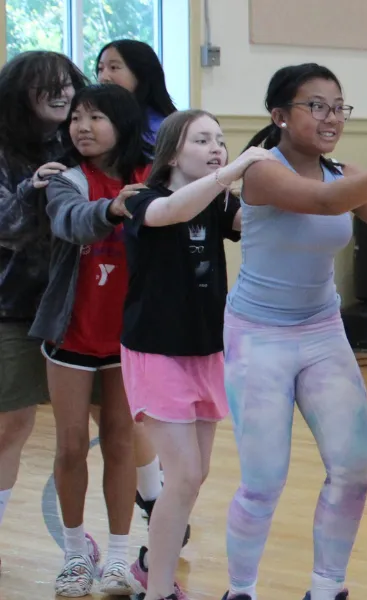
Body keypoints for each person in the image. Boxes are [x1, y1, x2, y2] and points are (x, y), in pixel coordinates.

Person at [221, 63, 367, 600]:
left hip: (320, 332)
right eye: (316, 105)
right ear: (279, 116)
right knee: (263, 482)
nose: (331, 117)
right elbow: (322, 203)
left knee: (352, 470)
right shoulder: (261, 170)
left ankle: (325, 588)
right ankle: (240, 589)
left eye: (338, 106)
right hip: (257, 335)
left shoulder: (342, 173)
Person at [120, 110, 275, 600]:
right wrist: (229, 172)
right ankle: (159, 590)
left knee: (193, 476)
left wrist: (301, 180)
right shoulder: (145, 200)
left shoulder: (216, 199)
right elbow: (174, 212)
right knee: (184, 473)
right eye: (202, 139)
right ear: (171, 151)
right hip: (155, 350)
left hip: (206, 349)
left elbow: (255, 224)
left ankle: (151, 567)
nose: (216, 147)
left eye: (221, 140)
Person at [36, 82, 153, 597]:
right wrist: (111, 210)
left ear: (122, 123)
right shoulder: (67, 180)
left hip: (129, 338)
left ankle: (121, 558)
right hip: (72, 336)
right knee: (69, 445)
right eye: (76, 117)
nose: (82, 127)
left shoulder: (151, 176)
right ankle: (74, 554)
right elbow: (69, 222)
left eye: (96, 117)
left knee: (122, 443)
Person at [94, 34, 187, 547]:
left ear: (142, 73)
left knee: (135, 406)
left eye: (116, 66)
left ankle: (156, 494)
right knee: (110, 408)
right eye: (101, 66)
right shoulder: (88, 137)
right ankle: (153, 494)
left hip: (149, 276)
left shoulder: (163, 134)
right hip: (95, 274)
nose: (106, 75)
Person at [0, 50, 88, 572]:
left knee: (118, 418)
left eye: (67, 85)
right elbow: (6, 230)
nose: (62, 94)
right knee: (13, 423)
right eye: (46, 86)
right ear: (20, 92)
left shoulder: (82, 142)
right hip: (14, 307)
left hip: (82, 305)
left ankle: (150, 502)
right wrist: (36, 190)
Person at [96, 39, 178, 148]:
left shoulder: (162, 129)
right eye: (100, 69)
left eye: (114, 67)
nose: (103, 77)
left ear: (141, 74)